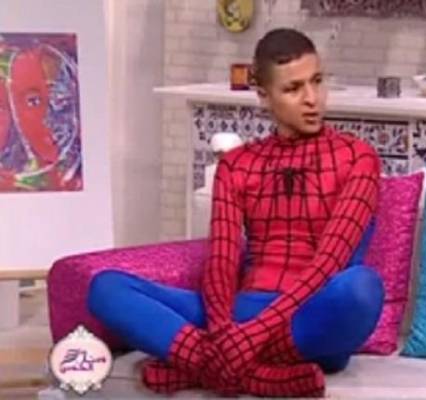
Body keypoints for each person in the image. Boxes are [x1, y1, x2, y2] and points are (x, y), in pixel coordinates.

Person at [87, 28, 384, 398]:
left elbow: (330, 261)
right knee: (106, 288)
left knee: (361, 287)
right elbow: (222, 262)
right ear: (264, 95)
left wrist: (252, 336)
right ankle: (254, 376)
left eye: (317, 81)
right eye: (293, 89)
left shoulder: (357, 157)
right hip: (243, 310)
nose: (312, 99)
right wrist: (225, 330)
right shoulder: (238, 164)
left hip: (314, 316)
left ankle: (201, 367)